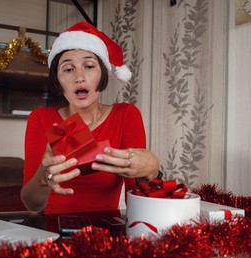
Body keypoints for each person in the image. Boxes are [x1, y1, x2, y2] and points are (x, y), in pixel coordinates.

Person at [21, 21, 159, 214]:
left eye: (89, 66)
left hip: (106, 234)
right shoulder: (41, 118)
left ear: (103, 74)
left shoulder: (125, 115)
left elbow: (137, 203)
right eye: (68, 69)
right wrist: (44, 178)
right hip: (52, 231)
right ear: (58, 81)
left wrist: (151, 172)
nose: (79, 76)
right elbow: (32, 205)